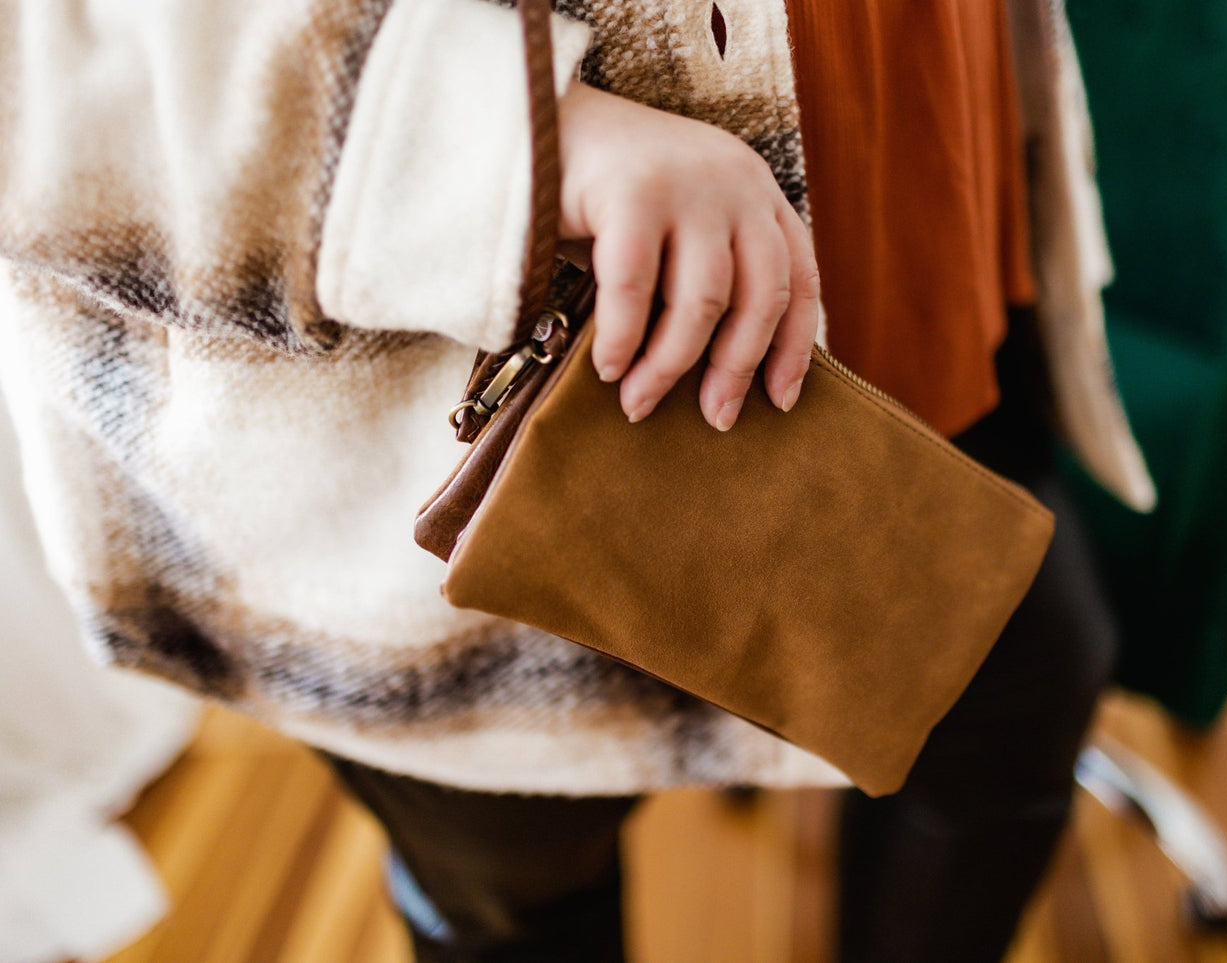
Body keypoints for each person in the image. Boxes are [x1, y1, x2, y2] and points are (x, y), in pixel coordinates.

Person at [0, 0, 1144, 959]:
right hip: (446, 365)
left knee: (1017, 696)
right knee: (516, 889)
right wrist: (506, 135)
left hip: (887, 166)